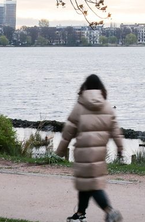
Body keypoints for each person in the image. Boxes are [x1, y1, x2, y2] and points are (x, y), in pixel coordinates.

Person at [57, 74, 126, 222]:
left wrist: (60, 151)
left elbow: (68, 132)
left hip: (83, 154)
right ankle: (80, 214)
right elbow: (116, 131)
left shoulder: (80, 106)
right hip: (99, 154)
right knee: (86, 184)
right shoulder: (107, 107)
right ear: (101, 88)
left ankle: (110, 211)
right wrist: (120, 149)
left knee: (91, 186)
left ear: (85, 87)